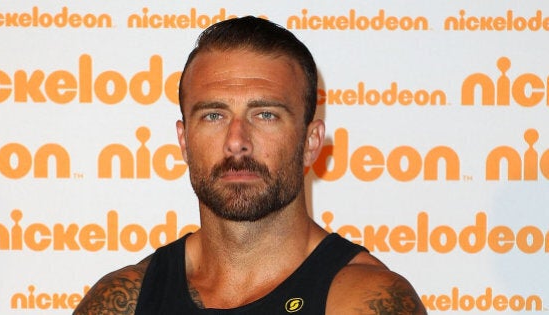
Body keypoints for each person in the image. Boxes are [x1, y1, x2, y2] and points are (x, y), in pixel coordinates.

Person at [73, 16, 427, 315]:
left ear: (311, 142)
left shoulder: (362, 299)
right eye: (213, 115)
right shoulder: (124, 300)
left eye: (265, 114)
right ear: (184, 141)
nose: (237, 140)